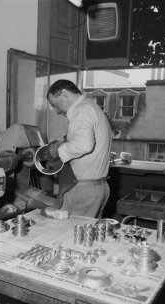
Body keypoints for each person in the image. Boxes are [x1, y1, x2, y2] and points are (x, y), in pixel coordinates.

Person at [45, 79, 112, 218]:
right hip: (98, 187)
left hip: (83, 190)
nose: (57, 111)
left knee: (67, 235)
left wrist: (57, 151)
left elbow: (84, 145)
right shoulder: (92, 107)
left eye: (55, 105)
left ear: (64, 93)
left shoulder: (82, 109)